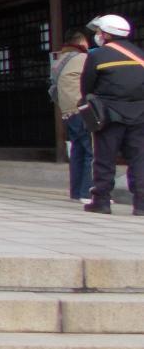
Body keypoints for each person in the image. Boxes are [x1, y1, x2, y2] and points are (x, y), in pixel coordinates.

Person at [81, 14, 144, 215]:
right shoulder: (139, 54)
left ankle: (101, 201)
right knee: (139, 158)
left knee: (104, 158)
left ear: (106, 34)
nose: (97, 35)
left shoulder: (97, 55)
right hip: (139, 114)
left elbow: (86, 87)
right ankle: (141, 204)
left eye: (99, 31)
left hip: (109, 114)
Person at [51, 29, 94, 204]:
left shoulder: (60, 61)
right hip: (82, 109)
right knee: (91, 151)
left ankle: (76, 191)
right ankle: (88, 192)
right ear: (82, 44)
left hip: (68, 111)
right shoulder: (83, 59)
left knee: (77, 150)